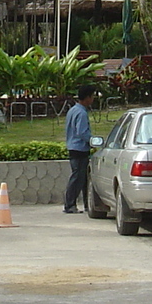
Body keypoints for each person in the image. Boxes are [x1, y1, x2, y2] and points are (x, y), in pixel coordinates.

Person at [63, 85, 97, 214]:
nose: (93, 99)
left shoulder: (73, 110)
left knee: (81, 178)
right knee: (77, 177)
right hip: (80, 148)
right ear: (87, 97)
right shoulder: (82, 113)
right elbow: (82, 132)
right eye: (92, 96)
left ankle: (86, 204)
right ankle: (70, 204)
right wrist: (93, 141)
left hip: (72, 147)